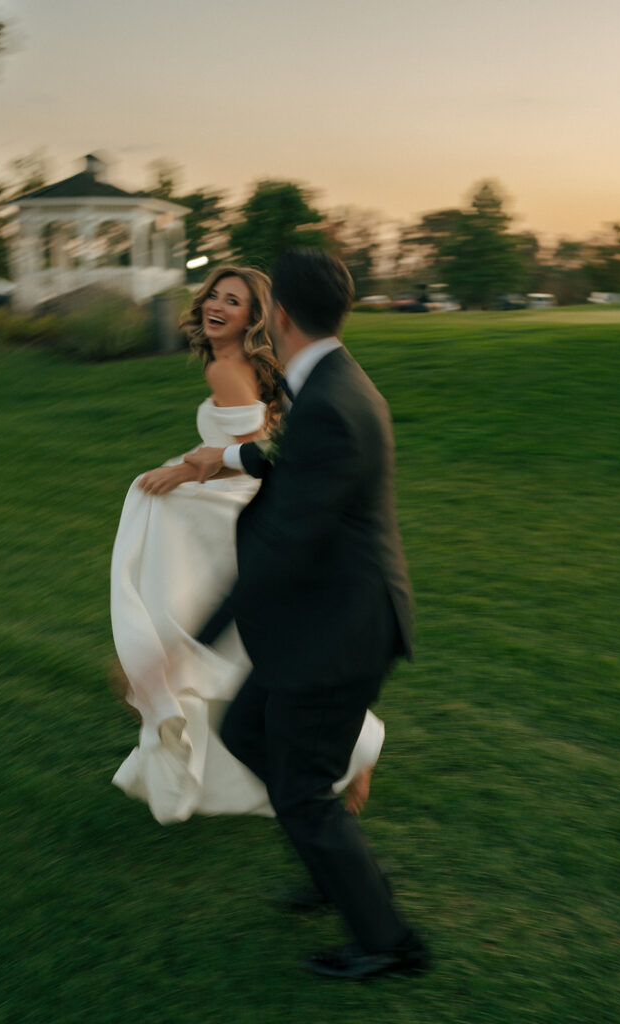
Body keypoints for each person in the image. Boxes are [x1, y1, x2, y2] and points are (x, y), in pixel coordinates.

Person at [185, 249, 429, 981]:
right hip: (329, 617)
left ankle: (388, 943)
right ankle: (334, 870)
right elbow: (305, 482)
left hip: (342, 628)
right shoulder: (330, 380)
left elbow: (286, 541)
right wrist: (236, 460)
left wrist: (191, 641)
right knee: (246, 729)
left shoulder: (328, 401)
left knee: (299, 789)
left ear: (279, 316)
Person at [110, 264, 385, 824]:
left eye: (232, 301)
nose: (216, 305)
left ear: (254, 317)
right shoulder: (247, 366)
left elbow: (251, 456)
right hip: (231, 503)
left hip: (225, 511)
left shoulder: (226, 369)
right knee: (246, 646)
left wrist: (186, 475)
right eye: (214, 293)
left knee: (214, 637)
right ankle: (346, 749)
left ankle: (351, 750)